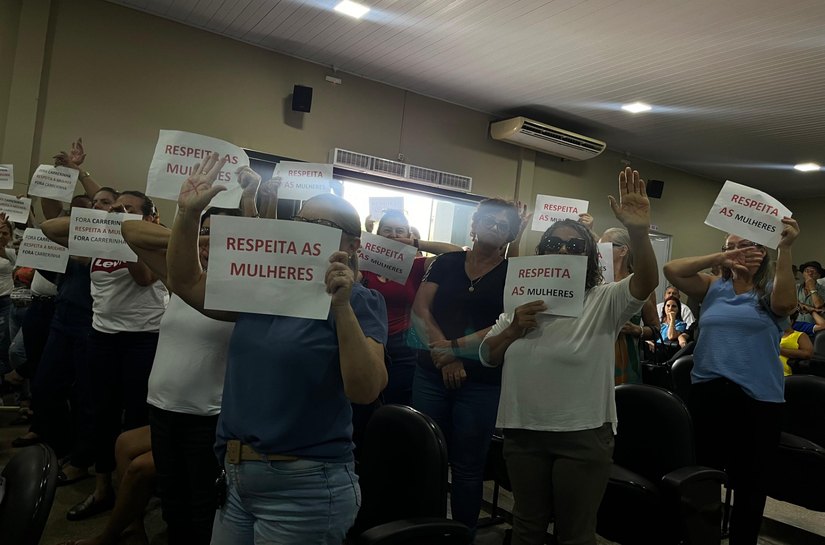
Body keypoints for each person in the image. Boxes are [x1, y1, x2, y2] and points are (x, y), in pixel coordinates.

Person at [167, 152, 387, 545]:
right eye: (300, 221)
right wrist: (187, 216)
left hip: (305, 487)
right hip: (236, 478)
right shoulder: (263, 288)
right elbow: (186, 283)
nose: (302, 231)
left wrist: (340, 307)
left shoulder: (360, 301)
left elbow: (366, 389)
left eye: (318, 225)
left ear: (351, 244)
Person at [479, 168, 658, 545]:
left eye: (574, 246)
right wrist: (513, 329)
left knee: (575, 532)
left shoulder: (605, 299)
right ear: (541, 253)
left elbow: (646, 281)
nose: (564, 250)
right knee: (526, 523)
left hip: (582, 434)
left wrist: (639, 231)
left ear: (589, 257)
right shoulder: (521, 303)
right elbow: (489, 357)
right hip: (523, 431)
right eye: (555, 244)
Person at [664, 218, 799, 545]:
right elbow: (672, 270)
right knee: (702, 480)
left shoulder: (769, 290)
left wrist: (784, 248)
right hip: (709, 394)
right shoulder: (712, 286)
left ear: (760, 252)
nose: (737, 253)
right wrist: (719, 258)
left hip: (758, 400)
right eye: (731, 247)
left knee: (751, 487)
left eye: (745, 246)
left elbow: (785, 305)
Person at [410, 197, 522, 534]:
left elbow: (507, 322)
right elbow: (420, 310)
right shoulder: (445, 262)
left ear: (511, 236)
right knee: (424, 459)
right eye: (490, 219)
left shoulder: (515, 274)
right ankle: (423, 533)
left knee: (468, 469)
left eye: (505, 224)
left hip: (482, 382)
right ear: (473, 225)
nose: (496, 226)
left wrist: (454, 352)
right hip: (430, 373)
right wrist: (443, 355)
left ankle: (461, 536)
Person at [360, 209, 460, 405]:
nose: (394, 235)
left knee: (396, 405)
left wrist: (416, 244)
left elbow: (457, 254)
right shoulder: (364, 264)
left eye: (400, 231)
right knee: (365, 402)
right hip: (367, 340)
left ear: (408, 235)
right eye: (387, 230)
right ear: (378, 235)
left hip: (403, 347)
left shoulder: (416, 266)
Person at [599, 227, 659, 385]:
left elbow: (656, 329)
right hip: (594, 364)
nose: (599, 252)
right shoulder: (595, 284)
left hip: (626, 368)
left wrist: (636, 330)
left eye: (604, 247)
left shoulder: (640, 287)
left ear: (622, 250)